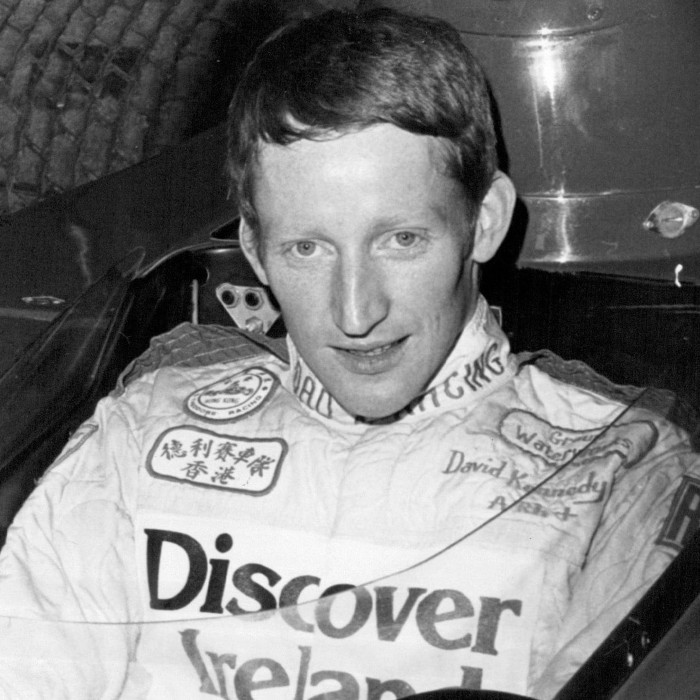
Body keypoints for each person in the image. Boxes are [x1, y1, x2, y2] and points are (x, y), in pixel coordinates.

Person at [0, 7, 698, 700]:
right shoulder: (143, 432)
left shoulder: (623, 473)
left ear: (483, 223)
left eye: (402, 240)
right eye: (307, 249)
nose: (356, 314)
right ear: (254, 250)